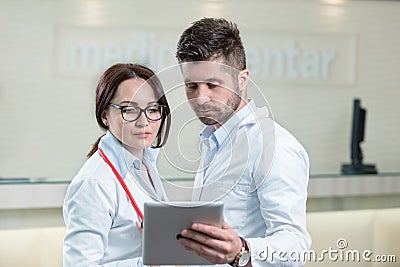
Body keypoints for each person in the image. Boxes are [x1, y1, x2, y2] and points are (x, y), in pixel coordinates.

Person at [175, 18, 311, 266]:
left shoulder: (275, 146)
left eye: (212, 85)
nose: (201, 98)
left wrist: (241, 251)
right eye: (191, 86)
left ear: (242, 80)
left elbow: (296, 245)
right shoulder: (212, 140)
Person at [63, 63, 171, 266]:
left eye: (153, 109)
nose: (143, 121)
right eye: (129, 110)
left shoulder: (146, 163)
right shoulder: (93, 183)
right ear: (105, 115)